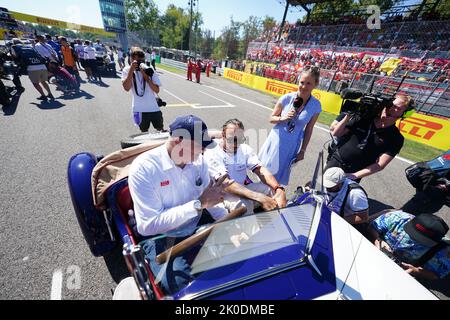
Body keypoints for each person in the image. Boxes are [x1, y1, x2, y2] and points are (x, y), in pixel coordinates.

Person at [128, 115, 230, 294]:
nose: (203, 151)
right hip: (162, 238)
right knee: (180, 288)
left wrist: (230, 223)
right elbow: (147, 226)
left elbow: (211, 200)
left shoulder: (199, 161)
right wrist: (198, 205)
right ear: (178, 141)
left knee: (240, 261)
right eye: (199, 146)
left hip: (199, 226)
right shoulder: (144, 169)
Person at [203, 119, 287, 217]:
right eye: (232, 139)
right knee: (243, 206)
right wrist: (259, 197)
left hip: (242, 189)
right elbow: (227, 184)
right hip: (222, 195)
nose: (236, 144)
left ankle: (280, 220)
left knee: (271, 189)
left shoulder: (244, 149)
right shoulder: (212, 151)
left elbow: (260, 170)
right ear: (223, 135)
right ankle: (251, 230)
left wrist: (278, 188)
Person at [258, 67, 322, 186]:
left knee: (278, 178)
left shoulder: (316, 105)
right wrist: (282, 118)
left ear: (315, 85)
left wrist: (303, 150)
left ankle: (272, 198)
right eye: (302, 82)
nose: (304, 86)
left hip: (291, 144)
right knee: (266, 174)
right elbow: (271, 118)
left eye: (309, 83)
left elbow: (309, 130)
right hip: (276, 141)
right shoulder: (287, 98)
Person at [327, 94, 413, 181]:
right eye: (391, 105)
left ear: (404, 114)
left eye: (398, 108)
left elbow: (380, 164)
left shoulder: (396, 138)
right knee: (321, 189)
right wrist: (347, 116)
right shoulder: (363, 118)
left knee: (342, 194)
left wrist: (355, 175)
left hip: (355, 172)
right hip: (335, 161)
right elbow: (336, 133)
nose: (391, 109)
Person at [368, 210, 449, 280]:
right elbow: (372, 227)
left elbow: (437, 274)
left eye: (422, 240)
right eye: (413, 234)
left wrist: (415, 271)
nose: (414, 240)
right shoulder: (397, 217)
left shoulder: (445, 251)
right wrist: (378, 240)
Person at [122, 47, 165, 133]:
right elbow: (126, 88)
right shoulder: (127, 70)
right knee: (144, 133)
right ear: (131, 59)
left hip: (154, 108)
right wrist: (131, 70)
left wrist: (146, 77)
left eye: (142, 61)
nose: (140, 63)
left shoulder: (149, 69)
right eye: (138, 61)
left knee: (161, 130)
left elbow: (156, 90)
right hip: (139, 109)